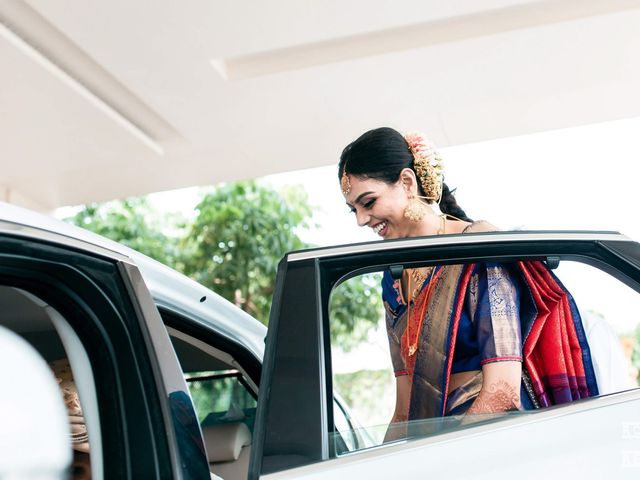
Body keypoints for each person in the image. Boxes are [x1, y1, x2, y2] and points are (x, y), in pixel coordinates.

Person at [338, 127, 599, 440]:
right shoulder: (394, 276)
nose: (361, 220)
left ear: (407, 182)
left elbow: (502, 393)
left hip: (490, 442)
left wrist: (434, 458)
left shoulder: (478, 253)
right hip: (435, 442)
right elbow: (405, 408)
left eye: (368, 202)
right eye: (354, 209)